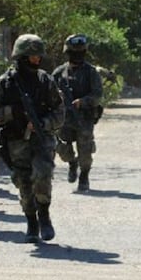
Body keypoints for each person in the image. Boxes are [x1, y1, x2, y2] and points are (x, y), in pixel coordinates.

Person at [0, 34, 65, 243]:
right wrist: (12, 112)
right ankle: (31, 222)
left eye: (39, 57)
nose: (37, 60)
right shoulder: (5, 83)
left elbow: (60, 112)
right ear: (21, 56)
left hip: (42, 139)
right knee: (24, 183)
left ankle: (44, 215)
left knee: (43, 175)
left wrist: (43, 124)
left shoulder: (45, 80)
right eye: (33, 56)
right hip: (16, 141)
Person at [52, 34, 102, 192]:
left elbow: (97, 95)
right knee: (60, 147)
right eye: (74, 53)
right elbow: (47, 93)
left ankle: (84, 176)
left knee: (85, 151)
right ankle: (72, 163)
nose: (77, 56)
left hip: (84, 118)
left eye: (80, 53)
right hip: (64, 119)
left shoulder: (91, 72)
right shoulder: (59, 73)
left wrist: (83, 101)